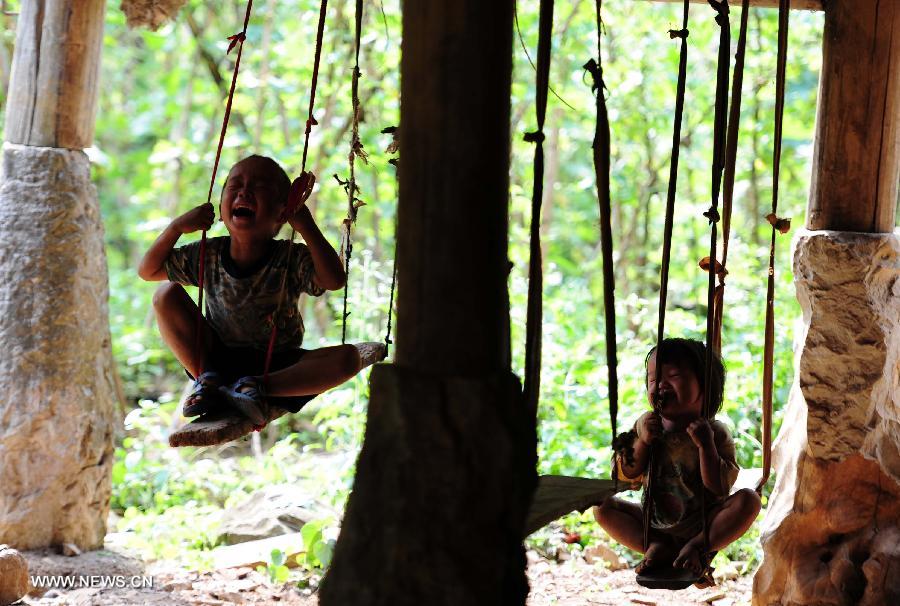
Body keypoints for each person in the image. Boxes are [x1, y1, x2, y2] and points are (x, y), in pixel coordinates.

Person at [137, 154, 361, 426]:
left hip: (279, 369)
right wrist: (176, 227)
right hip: (216, 363)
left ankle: (253, 388)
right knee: (166, 294)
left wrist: (307, 227)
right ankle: (208, 382)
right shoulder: (209, 254)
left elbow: (333, 280)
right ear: (221, 210)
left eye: (260, 186)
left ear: (282, 212)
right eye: (235, 185)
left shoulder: (290, 257)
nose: (244, 191)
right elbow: (148, 271)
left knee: (348, 359)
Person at [593, 338, 761, 579]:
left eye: (673, 376)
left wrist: (705, 446)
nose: (660, 385)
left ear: (705, 386)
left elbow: (718, 487)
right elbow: (624, 475)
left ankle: (697, 546)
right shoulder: (645, 426)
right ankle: (657, 545)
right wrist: (641, 440)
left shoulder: (714, 432)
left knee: (749, 501)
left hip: (704, 524)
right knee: (602, 507)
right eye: (653, 379)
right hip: (653, 521)